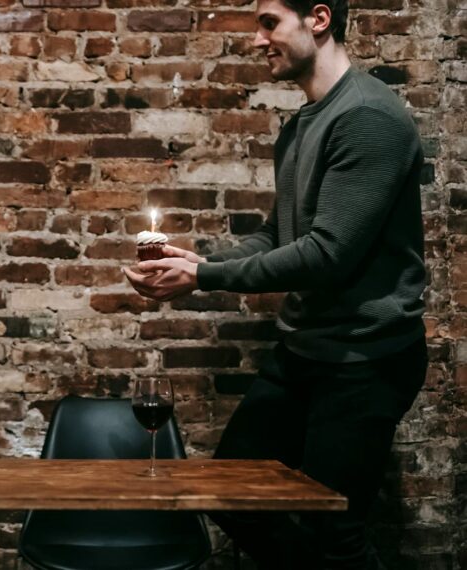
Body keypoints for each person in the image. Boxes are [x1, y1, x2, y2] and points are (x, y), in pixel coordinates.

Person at [124, 0, 428, 567]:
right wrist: (199, 262)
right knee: (231, 495)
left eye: (269, 23)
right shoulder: (301, 124)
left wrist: (205, 276)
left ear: (318, 18)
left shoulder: (367, 117)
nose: (258, 39)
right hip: (306, 351)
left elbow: (326, 256)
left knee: (336, 534)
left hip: (365, 359)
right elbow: (277, 233)